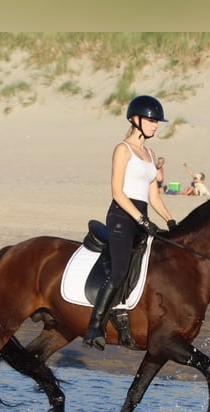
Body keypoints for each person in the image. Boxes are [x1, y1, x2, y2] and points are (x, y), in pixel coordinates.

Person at [82, 95, 177, 351]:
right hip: (122, 218)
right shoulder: (122, 149)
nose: (155, 125)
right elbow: (117, 192)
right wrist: (141, 219)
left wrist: (170, 220)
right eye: (151, 120)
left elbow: (153, 195)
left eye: (157, 121)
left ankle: (122, 310)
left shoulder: (149, 153)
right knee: (119, 270)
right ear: (135, 120)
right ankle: (94, 328)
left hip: (141, 216)